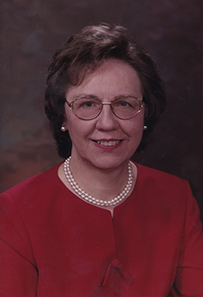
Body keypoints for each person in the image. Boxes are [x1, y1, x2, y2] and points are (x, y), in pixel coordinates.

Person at [0, 23, 203, 297]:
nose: (107, 123)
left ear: (145, 114)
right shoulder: (14, 213)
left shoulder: (177, 198)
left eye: (124, 103)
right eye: (87, 104)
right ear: (63, 116)